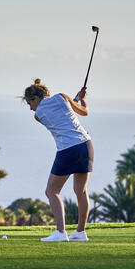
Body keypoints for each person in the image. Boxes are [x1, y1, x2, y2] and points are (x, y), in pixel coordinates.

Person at [23, 78, 93, 242]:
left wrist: (73, 99)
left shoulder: (38, 115)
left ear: (36, 99)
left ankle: (61, 232)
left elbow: (57, 115)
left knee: (52, 191)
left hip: (68, 149)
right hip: (86, 145)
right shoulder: (62, 96)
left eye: (30, 104)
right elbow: (83, 111)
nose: (31, 109)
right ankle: (80, 232)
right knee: (81, 191)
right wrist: (81, 99)